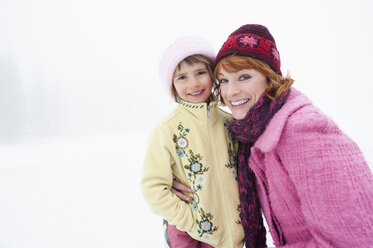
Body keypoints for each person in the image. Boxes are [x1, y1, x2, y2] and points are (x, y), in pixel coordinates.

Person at [212, 24, 373, 247]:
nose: (230, 92)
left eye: (244, 77)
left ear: (270, 77)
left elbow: (353, 240)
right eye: (223, 80)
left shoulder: (303, 130)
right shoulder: (253, 134)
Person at [141, 36, 245, 248]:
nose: (194, 83)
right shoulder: (166, 130)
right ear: (172, 84)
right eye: (182, 77)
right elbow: (153, 188)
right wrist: (189, 220)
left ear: (212, 75)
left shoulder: (230, 124)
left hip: (232, 235)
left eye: (200, 73)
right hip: (190, 235)